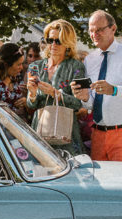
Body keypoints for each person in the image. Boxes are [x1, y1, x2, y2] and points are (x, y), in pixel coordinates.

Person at [71, 10, 122, 162]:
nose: (94, 34)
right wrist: (84, 98)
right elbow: (91, 104)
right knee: (101, 184)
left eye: (100, 29)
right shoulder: (90, 60)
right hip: (98, 134)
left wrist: (115, 90)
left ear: (113, 28)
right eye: (91, 30)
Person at [26, 19, 86, 155]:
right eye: (49, 40)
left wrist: (54, 93)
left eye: (58, 41)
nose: (53, 44)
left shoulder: (76, 67)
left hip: (65, 134)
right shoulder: (35, 67)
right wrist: (33, 94)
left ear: (68, 43)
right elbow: (30, 105)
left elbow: (78, 103)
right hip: (40, 131)